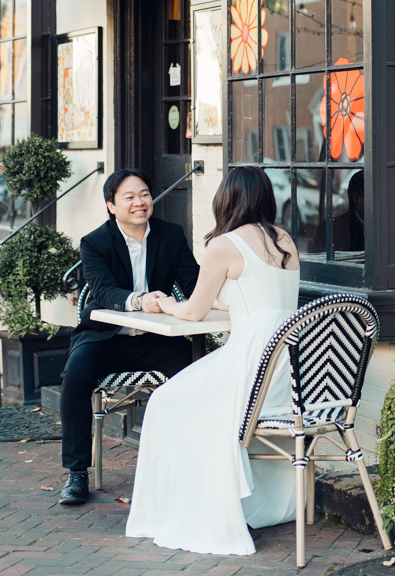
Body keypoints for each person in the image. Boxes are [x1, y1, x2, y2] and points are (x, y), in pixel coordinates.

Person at [126, 166, 300, 556]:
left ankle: (176, 506)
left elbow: (193, 312)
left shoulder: (224, 244)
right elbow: (255, 295)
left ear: (225, 199)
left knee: (164, 401)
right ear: (265, 198)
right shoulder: (285, 240)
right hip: (286, 369)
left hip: (250, 364)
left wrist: (168, 303)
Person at [58, 167, 199, 506]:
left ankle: (190, 464)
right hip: (108, 339)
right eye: (130, 197)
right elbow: (104, 291)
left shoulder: (172, 234)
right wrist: (140, 301)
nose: (140, 203)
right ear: (111, 205)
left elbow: (194, 283)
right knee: (75, 375)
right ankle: (77, 473)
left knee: (197, 374)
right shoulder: (95, 242)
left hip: (158, 340)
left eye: (145, 194)